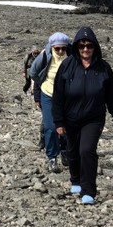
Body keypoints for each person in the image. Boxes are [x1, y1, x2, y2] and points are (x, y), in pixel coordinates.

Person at [52, 25, 113, 205]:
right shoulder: (67, 66)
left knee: (87, 150)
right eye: (82, 45)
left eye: (89, 46)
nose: (85, 49)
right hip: (70, 117)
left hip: (94, 117)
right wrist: (58, 121)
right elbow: (58, 95)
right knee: (72, 151)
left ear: (95, 47)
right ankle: (75, 179)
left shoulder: (103, 68)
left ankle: (88, 190)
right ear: (76, 47)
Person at [30, 32, 71, 171]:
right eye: (57, 48)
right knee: (50, 127)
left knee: (67, 126)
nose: (60, 51)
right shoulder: (45, 56)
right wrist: (39, 91)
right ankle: (52, 157)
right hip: (48, 95)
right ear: (52, 46)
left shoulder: (72, 56)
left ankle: (65, 152)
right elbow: (34, 73)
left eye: (63, 48)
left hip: (66, 97)